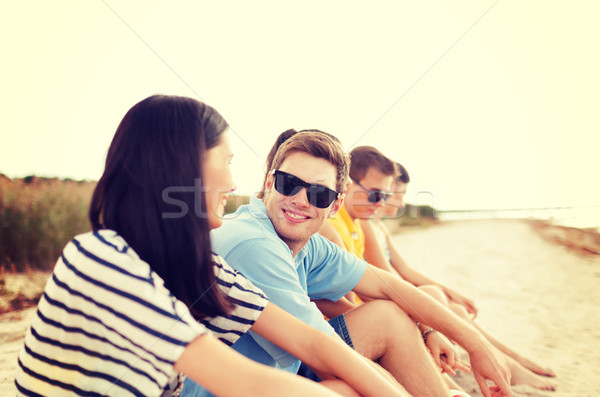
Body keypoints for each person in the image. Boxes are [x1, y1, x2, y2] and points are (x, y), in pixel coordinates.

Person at [14, 95, 406, 397]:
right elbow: (247, 382)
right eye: (228, 160)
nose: (235, 183)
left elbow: (310, 340)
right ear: (185, 165)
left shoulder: (192, 264)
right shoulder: (102, 262)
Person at [184, 130, 514, 397]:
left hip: (280, 371)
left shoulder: (305, 241)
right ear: (269, 183)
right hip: (232, 388)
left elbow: (387, 285)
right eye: (289, 183)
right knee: (346, 388)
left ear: (335, 204)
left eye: (319, 195)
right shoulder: (254, 243)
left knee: (388, 316)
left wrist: (475, 344)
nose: (300, 200)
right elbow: (322, 354)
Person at [358, 161, 558, 391]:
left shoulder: (380, 228)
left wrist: (450, 292)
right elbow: (390, 281)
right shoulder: (366, 227)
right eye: (397, 195)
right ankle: (509, 367)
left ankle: (512, 362)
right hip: (383, 301)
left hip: (392, 294)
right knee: (440, 301)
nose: (400, 202)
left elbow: (406, 271)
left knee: (456, 308)